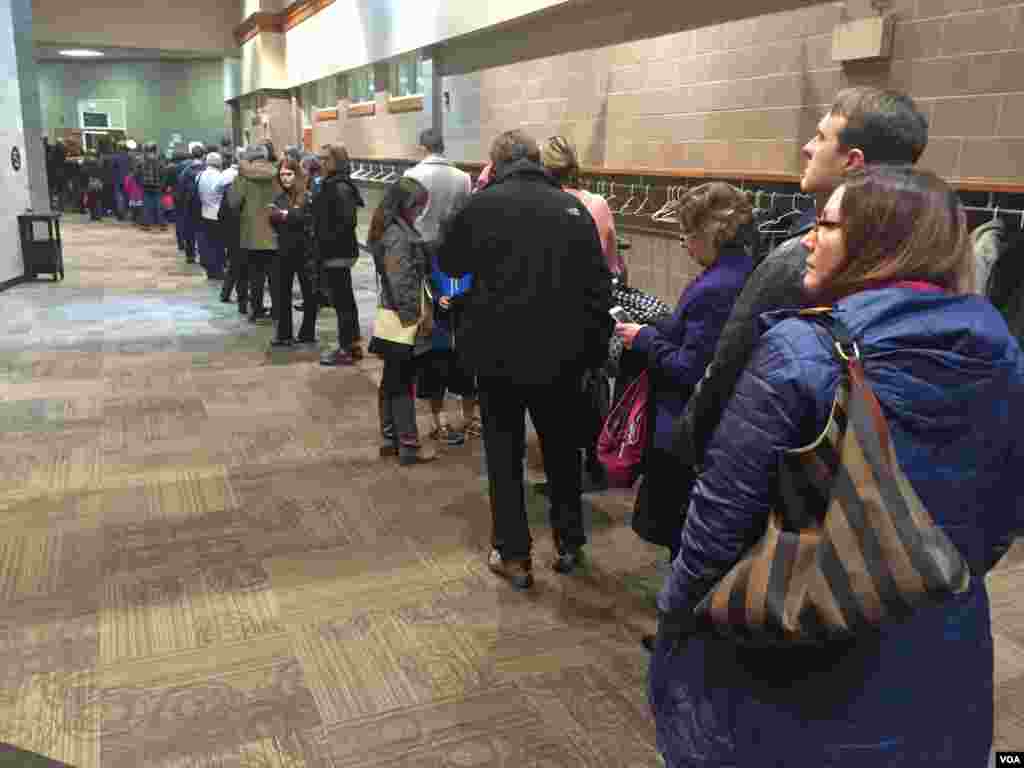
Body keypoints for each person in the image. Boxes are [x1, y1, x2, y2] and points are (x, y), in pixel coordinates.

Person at [649, 165, 1019, 767]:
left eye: (826, 224)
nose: (808, 239)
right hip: (938, 651)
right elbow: (1006, 511)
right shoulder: (1000, 349)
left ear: (880, 242)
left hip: (795, 657)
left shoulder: (805, 350)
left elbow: (717, 526)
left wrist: (675, 631)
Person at [670, 87, 930, 484]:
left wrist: (686, 453)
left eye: (821, 138)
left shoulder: (800, 260)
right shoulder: (930, 257)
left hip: (773, 479)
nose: (807, 148)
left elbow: (726, 371)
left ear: (853, 162)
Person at [438, 129, 613, 589]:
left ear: (494, 165)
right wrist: (594, 352)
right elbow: (598, 288)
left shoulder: (482, 206)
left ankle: (514, 555)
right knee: (561, 451)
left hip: (497, 357)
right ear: (537, 161)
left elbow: (451, 263)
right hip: (562, 356)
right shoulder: (573, 210)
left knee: (504, 454)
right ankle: (570, 542)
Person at [616, 182, 754, 570]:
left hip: (684, 424)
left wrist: (643, 338)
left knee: (680, 531)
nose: (684, 244)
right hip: (709, 425)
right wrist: (662, 323)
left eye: (688, 235)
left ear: (711, 234)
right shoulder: (739, 269)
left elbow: (689, 368)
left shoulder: (718, 287)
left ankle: (678, 622)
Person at [541, 135, 622, 488]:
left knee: (558, 399)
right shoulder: (598, 203)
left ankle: (566, 474)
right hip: (593, 310)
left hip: (553, 313)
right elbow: (614, 263)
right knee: (594, 389)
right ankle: (596, 460)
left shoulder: (543, 205)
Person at [367, 176, 437, 466]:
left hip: (393, 315)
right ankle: (408, 444)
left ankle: (390, 438)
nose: (421, 212)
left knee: (392, 380)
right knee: (402, 382)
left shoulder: (393, 228)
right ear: (406, 204)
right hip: (402, 317)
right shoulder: (397, 234)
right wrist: (416, 319)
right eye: (419, 206)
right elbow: (401, 281)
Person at [313, 143, 366, 366]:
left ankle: (347, 347)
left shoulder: (340, 186)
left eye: (327, 159)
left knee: (342, 301)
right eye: (320, 158)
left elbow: (346, 221)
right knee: (343, 299)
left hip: (337, 251)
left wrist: (326, 240)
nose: (322, 163)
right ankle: (351, 344)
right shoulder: (333, 183)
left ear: (338, 161)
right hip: (335, 249)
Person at [268, 156, 317, 347]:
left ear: (296, 174)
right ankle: (284, 334)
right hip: (284, 250)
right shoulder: (279, 197)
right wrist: (290, 215)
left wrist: (285, 215)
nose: (285, 178)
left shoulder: (306, 195)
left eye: (288, 174)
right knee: (282, 294)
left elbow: (303, 218)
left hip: (305, 250)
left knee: (309, 294)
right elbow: (273, 218)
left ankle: (307, 333)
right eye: (282, 175)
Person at [228, 142, 280, 321]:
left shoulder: (243, 176)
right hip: (275, 230)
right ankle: (277, 310)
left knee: (255, 276)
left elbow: (233, 202)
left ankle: (256, 310)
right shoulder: (277, 173)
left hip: (252, 232)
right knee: (275, 276)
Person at [196, 152, 227, 280]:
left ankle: (210, 269)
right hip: (217, 213)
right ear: (219, 163)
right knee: (218, 244)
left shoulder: (200, 175)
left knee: (208, 243)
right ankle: (218, 270)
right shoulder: (220, 176)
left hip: (205, 212)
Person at [219, 148, 244, 306]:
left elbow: (222, 214)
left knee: (235, 265)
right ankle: (241, 299)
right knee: (243, 268)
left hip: (233, 233)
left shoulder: (230, 187)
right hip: (244, 232)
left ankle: (227, 294)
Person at [175, 143, 207, 260]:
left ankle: (190, 255)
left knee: (190, 231)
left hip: (189, 204)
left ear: (191, 156)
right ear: (203, 155)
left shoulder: (186, 171)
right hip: (205, 204)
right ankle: (204, 255)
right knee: (204, 231)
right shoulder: (207, 169)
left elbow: (181, 189)